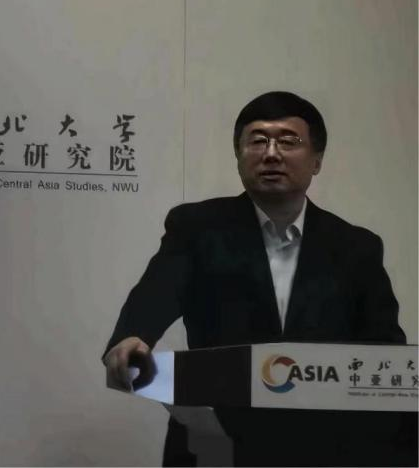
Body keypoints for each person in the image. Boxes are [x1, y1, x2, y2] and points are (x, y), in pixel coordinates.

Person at [103, 91, 410, 466]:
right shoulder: (197, 228)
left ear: (317, 160)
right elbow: (157, 292)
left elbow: (384, 350)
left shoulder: (356, 246)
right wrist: (133, 336)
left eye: (288, 141)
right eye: (258, 140)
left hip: (324, 446)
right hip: (217, 441)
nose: (271, 153)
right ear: (239, 157)